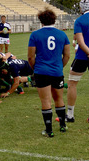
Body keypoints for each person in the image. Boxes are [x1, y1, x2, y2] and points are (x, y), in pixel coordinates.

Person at [28, 9, 71, 137]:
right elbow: (67, 55)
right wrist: (59, 66)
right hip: (57, 71)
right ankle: (63, 126)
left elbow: (31, 57)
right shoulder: (62, 35)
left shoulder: (35, 35)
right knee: (59, 99)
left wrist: (36, 68)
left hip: (41, 71)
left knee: (46, 101)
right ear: (54, 20)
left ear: (41, 21)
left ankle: (49, 130)